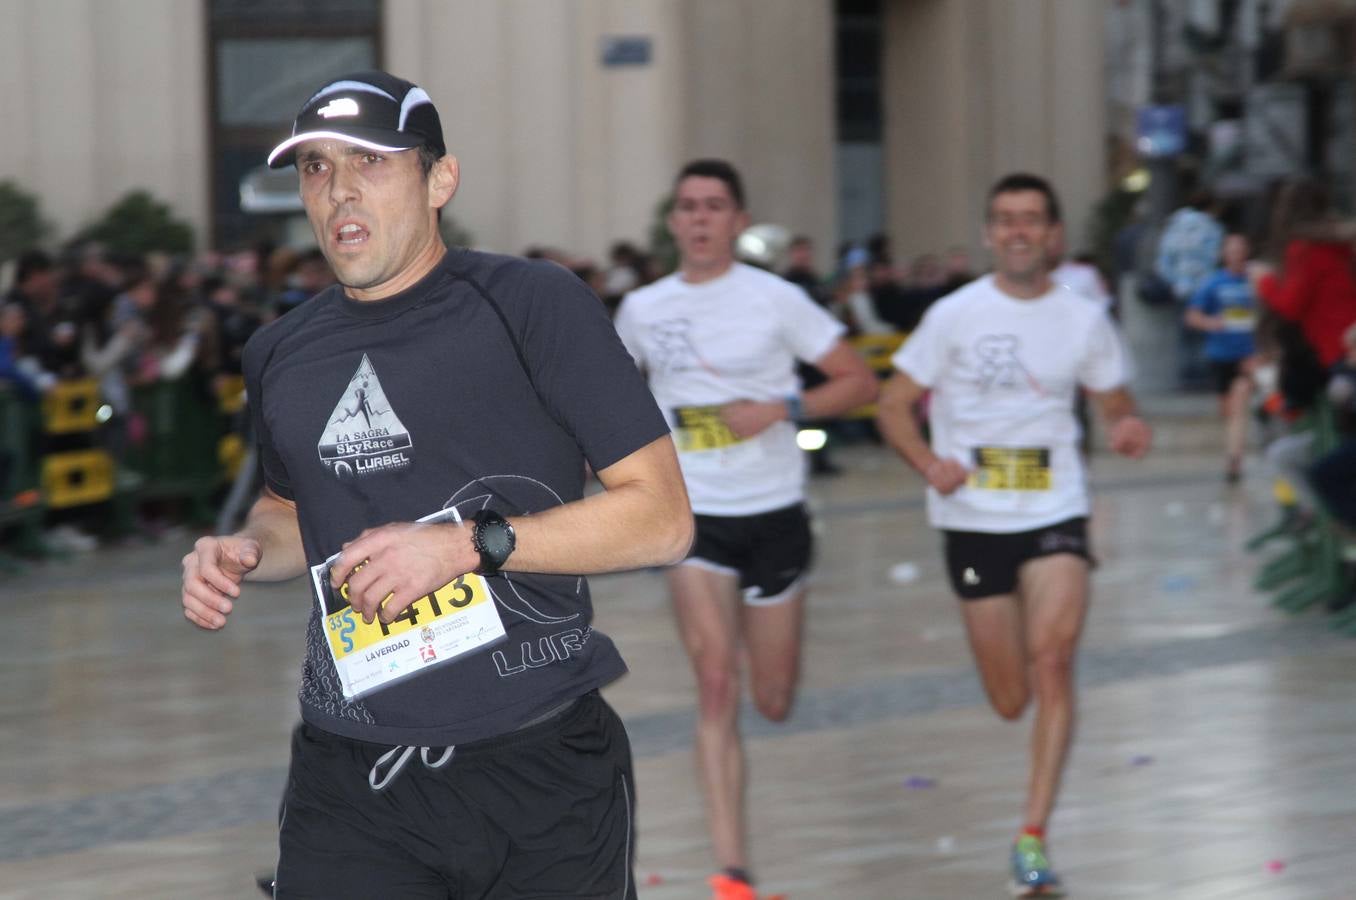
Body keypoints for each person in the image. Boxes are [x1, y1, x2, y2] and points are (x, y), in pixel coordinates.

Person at [179, 70, 693, 900]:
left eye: (372, 162)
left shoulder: (534, 307)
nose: (339, 189)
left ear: (440, 179)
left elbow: (662, 518)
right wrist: (242, 550)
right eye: (316, 168)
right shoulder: (279, 353)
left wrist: (464, 548)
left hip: (540, 769)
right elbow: (287, 509)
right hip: (352, 777)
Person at [875, 173, 1152, 897]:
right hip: (973, 522)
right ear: (990, 234)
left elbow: (1113, 396)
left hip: (1055, 510)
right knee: (1010, 697)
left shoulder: (1083, 316)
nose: (1019, 231)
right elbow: (893, 404)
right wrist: (926, 462)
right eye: (1005, 220)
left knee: (1054, 660)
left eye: (1032, 219)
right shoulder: (953, 315)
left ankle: (1032, 836)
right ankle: (1023, 706)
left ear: (1053, 234)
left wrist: (1124, 422)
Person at [613, 159, 877, 900]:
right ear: (674, 222)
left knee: (773, 697)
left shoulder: (778, 300)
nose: (700, 219)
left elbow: (858, 381)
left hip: (775, 515)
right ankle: (733, 871)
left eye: (715, 206)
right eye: (689, 207)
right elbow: (604, 397)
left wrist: (781, 409)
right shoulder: (641, 310)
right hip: (693, 519)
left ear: (737, 220)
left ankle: (779, 661)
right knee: (715, 682)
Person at [1185, 232, 1259, 481]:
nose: (1237, 255)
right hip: (1220, 354)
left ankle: (1234, 460)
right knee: (1227, 410)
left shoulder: (1255, 280)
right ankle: (1233, 448)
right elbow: (1192, 315)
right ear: (1224, 254)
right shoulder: (1213, 284)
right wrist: (1209, 322)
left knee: (1239, 403)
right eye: (1232, 250)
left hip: (1247, 355)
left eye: (1241, 249)